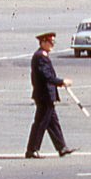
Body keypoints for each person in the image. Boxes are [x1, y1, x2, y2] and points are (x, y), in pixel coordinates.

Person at [26, 30, 76, 159]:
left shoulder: (43, 55)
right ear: (43, 42)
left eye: (54, 42)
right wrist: (61, 82)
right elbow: (46, 76)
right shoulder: (40, 57)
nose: (53, 45)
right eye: (50, 42)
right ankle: (32, 150)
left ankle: (62, 147)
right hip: (44, 96)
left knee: (53, 123)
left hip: (47, 96)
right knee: (41, 123)